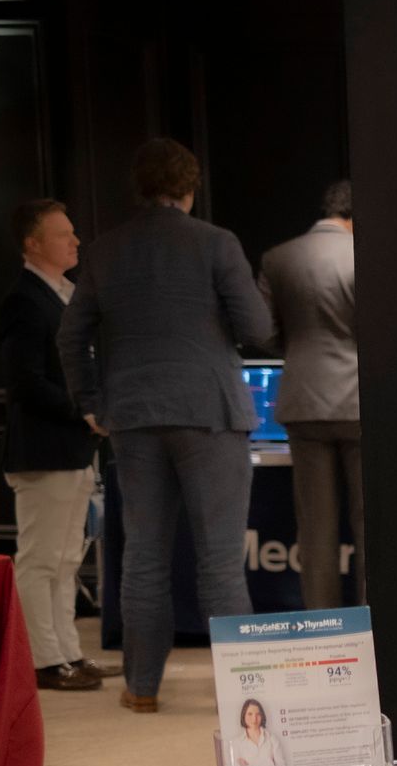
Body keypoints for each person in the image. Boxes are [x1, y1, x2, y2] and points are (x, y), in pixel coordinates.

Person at [58, 138, 274, 713]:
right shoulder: (216, 243)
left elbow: (70, 336)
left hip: (131, 416)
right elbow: (257, 328)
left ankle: (141, 688)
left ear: (140, 187)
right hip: (210, 413)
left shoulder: (105, 250)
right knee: (221, 561)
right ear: (189, 187)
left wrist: (90, 401)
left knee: (144, 557)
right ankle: (243, 698)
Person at [0, 199, 106, 691]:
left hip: (72, 450)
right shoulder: (24, 301)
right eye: (63, 234)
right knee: (41, 559)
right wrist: (83, 410)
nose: (75, 241)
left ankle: (68, 651)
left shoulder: (65, 294)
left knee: (65, 561)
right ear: (32, 243)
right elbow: (24, 382)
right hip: (42, 452)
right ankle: (42, 660)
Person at [259, 180, 362, 609]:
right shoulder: (364, 253)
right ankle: (376, 628)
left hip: (303, 401)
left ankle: (325, 628)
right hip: (360, 402)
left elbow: (261, 331)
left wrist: (298, 350)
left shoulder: (278, 256)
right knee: (369, 525)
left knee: (315, 530)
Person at [228, 697, 287, 766]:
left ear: (262, 716)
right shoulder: (236, 743)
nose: (254, 719)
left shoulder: (272, 738)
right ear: (243, 715)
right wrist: (269, 763)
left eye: (258, 714)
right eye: (250, 714)